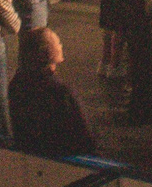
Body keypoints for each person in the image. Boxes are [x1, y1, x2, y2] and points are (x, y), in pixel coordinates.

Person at [9, 28, 97, 159]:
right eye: (58, 42)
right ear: (46, 52)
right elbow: (85, 134)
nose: (61, 45)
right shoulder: (61, 91)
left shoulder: (17, 82)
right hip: (61, 156)